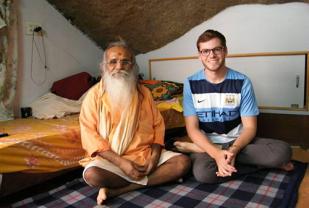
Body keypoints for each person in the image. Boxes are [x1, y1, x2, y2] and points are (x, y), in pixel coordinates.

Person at [174, 29, 294, 184]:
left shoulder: (242, 81)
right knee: (204, 174)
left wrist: (233, 151)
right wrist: (215, 153)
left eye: (217, 49)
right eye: (205, 51)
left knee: (283, 152)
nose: (212, 55)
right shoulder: (191, 84)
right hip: (208, 143)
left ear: (225, 51)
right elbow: (192, 129)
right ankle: (261, 165)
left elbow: (250, 127)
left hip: (238, 142)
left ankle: (211, 154)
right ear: (200, 55)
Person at [79, 40, 191, 205]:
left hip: (144, 155)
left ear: (133, 66)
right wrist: (122, 163)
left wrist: (154, 157)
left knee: (183, 163)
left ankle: (120, 189)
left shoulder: (144, 93)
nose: (119, 66)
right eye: (113, 62)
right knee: (92, 175)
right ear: (104, 67)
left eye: (125, 61)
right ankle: (152, 179)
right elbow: (90, 136)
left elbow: (157, 127)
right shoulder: (94, 96)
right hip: (112, 160)